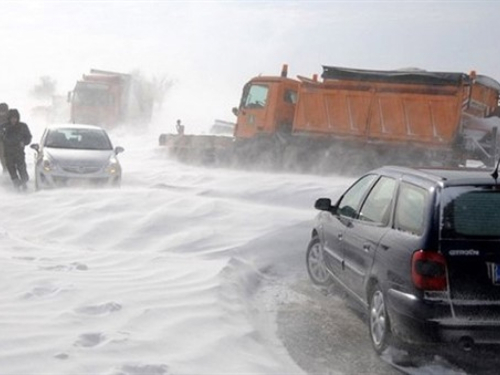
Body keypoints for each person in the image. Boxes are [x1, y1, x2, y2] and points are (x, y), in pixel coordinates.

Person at [0, 109, 32, 189]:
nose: (13, 120)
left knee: (22, 170)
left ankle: (24, 183)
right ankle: (16, 185)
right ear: (9, 118)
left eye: (15, 118)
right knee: (11, 170)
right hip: (8, 153)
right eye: (11, 118)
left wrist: (24, 142)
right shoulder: (4, 127)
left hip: (19, 152)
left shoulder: (22, 126)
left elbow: (28, 137)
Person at [0, 103, 9, 174]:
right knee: (2, 155)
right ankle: (5, 169)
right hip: (1, 140)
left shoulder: (10, 118)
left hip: (11, 140)